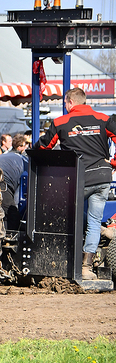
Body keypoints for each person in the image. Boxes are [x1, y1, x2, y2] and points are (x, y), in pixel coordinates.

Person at [37, 88, 116, 280]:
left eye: (65, 103)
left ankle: (67, 263)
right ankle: (87, 268)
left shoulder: (61, 122)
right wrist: (114, 163)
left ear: (70, 102)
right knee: (95, 223)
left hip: (77, 178)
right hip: (101, 177)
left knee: (69, 219)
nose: (65, 106)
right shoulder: (103, 119)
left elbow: (43, 147)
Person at [0, 134, 29, 231]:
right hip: (0, 176)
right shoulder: (27, 167)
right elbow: (19, 198)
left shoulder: (19, 157)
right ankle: (9, 237)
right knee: (11, 212)